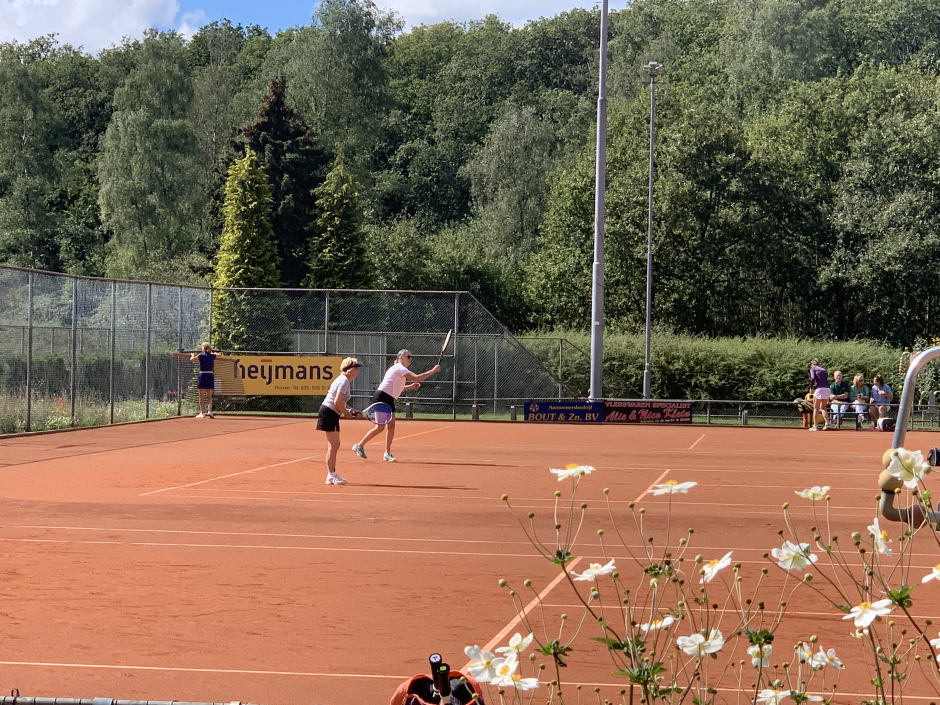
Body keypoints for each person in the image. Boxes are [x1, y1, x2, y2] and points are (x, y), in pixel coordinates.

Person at [352, 349, 441, 462]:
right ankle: (359, 446)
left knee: (391, 426)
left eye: (411, 356)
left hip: (388, 399)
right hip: (382, 397)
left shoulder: (400, 370)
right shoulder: (399, 368)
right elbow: (418, 377)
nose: (410, 358)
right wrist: (433, 371)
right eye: (408, 356)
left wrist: (410, 387)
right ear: (401, 358)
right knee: (380, 427)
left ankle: (387, 453)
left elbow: (397, 387)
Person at [318, 357, 364, 486]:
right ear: (350, 369)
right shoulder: (344, 381)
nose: (357, 370)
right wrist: (346, 413)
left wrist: (352, 410)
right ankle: (331, 476)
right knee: (334, 445)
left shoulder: (343, 380)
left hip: (331, 412)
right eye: (356, 368)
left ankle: (331, 475)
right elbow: (337, 402)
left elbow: (341, 402)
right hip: (329, 412)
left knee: (334, 445)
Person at [190, 342, 218, 418]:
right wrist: (214, 353)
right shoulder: (212, 356)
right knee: (210, 396)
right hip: (210, 375)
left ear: (203, 348)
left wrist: (192, 355)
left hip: (202, 375)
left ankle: (202, 413)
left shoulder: (201, 355)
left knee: (201, 396)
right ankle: (210, 411)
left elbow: (192, 360)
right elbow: (219, 355)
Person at [808, 359, 830, 431]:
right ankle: (827, 423)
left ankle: (815, 426)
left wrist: (811, 387)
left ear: (812, 364)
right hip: (827, 389)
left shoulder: (813, 369)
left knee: (816, 407)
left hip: (819, 388)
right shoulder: (824, 370)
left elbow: (813, 378)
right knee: (823, 407)